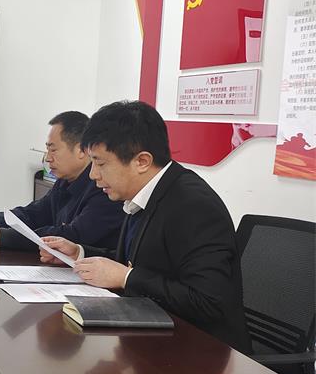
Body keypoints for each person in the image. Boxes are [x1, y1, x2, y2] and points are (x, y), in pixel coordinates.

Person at [40, 101, 249, 353]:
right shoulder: (144, 193)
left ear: (142, 161)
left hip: (203, 354)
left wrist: (126, 278)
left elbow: (207, 301)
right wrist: (80, 253)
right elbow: (143, 262)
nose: (93, 175)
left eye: (101, 163)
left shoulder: (193, 206)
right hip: (155, 335)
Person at [0, 111, 124, 250]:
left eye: (53, 150)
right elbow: (34, 213)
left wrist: (4, 237)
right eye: (47, 150)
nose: (47, 158)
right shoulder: (65, 181)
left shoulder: (104, 188)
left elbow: (72, 235)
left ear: (82, 150)